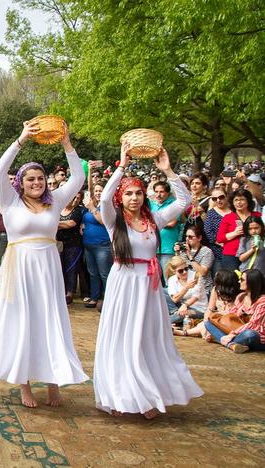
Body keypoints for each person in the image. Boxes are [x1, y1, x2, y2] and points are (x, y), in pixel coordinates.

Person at [0, 121, 88, 409]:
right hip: (20, 268)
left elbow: (78, 176)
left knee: (51, 321)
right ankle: (24, 384)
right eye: (30, 179)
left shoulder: (56, 200)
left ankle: (53, 383)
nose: (36, 183)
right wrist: (22, 138)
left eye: (40, 179)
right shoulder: (11, 201)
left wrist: (66, 143)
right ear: (21, 183)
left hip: (48, 267)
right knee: (23, 323)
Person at [93, 143, 202, 419]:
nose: (134, 198)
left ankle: (148, 393)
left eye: (139, 193)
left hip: (149, 286)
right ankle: (119, 394)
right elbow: (104, 200)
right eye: (128, 193)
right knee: (121, 337)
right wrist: (121, 166)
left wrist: (168, 171)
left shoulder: (154, 218)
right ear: (122, 196)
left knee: (147, 338)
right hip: (124, 283)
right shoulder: (113, 220)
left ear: (145, 195)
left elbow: (183, 201)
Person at [205, 269, 265, 353]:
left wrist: (232, 334)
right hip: (238, 330)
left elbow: (253, 325)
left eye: (242, 280)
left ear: (251, 282)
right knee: (208, 323)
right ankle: (233, 344)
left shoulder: (262, 302)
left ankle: (222, 340)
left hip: (257, 337)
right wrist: (217, 316)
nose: (239, 281)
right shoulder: (241, 297)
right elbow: (232, 314)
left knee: (250, 334)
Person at [174, 269, 239, 338]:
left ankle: (183, 333)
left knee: (204, 326)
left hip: (229, 322)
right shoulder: (215, 290)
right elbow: (210, 309)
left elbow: (235, 315)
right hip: (216, 319)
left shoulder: (238, 295)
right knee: (203, 325)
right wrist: (206, 321)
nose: (214, 279)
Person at [82, 181, 112, 309]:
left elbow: (104, 221)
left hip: (103, 246)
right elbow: (86, 219)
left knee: (104, 273)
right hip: (89, 245)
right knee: (93, 273)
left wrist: (93, 209)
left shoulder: (107, 205)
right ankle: (94, 298)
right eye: (97, 191)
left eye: (101, 190)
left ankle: (109, 299)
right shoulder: (92, 204)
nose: (99, 193)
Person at [217, 189, 261, 271]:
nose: (238, 202)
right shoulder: (228, 217)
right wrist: (234, 233)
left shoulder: (257, 215)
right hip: (231, 255)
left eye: (242, 199)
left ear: (248, 201)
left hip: (254, 252)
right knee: (232, 281)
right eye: (236, 200)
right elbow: (220, 238)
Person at [149, 181, 182, 275]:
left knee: (168, 277)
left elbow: (172, 223)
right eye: (156, 191)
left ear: (168, 192)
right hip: (153, 248)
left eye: (161, 192)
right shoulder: (152, 205)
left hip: (168, 248)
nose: (158, 194)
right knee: (155, 279)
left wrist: (153, 223)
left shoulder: (174, 205)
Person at [57, 191, 84, 304]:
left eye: (75, 199)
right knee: (60, 268)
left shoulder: (77, 210)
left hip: (73, 244)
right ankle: (61, 291)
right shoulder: (58, 210)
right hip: (59, 243)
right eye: (70, 198)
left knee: (71, 269)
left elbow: (71, 223)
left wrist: (54, 223)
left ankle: (70, 293)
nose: (73, 201)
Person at [165, 255, 208, 325]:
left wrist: (185, 305)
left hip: (198, 308)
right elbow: (174, 299)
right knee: (162, 292)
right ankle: (175, 312)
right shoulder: (172, 279)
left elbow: (195, 297)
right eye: (180, 271)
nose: (185, 272)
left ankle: (164, 324)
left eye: (186, 269)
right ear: (174, 271)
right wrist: (186, 287)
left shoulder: (195, 276)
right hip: (180, 306)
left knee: (181, 315)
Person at [175, 224, 215, 293]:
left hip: (203, 289)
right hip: (187, 287)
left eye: (190, 237)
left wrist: (190, 255)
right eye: (186, 236)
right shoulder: (184, 249)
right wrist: (177, 253)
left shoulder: (207, 251)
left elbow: (203, 273)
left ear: (199, 238)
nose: (187, 239)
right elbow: (177, 267)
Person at [203, 188, 231, 270]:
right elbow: (208, 232)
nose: (218, 200)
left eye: (221, 197)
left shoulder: (234, 211)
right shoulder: (211, 213)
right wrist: (221, 243)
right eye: (215, 199)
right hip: (217, 252)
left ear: (226, 197)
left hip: (234, 251)